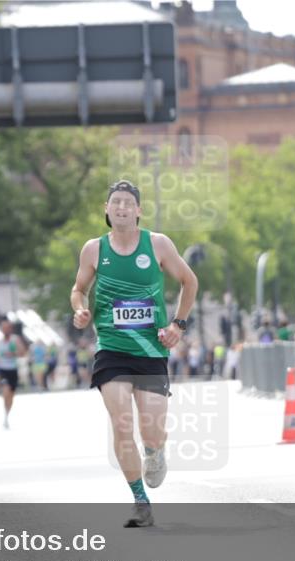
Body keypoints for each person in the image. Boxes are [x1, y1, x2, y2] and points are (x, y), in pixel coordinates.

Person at [70, 179, 198, 528]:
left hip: (150, 350)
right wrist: (80, 309)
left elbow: (189, 281)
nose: (122, 207)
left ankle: (155, 452)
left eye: (128, 202)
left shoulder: (157, 244)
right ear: (107, 210)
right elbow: (78, 289)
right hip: (111, 349)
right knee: (122, 423)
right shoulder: (93, 250)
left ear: (138, 210)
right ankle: (141, 502)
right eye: (116, 202)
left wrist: (178, 324)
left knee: (151, 432)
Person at [0, 318, 27, 429]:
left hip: (13, 369)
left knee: (11, 395)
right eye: (3, 328)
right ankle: (5, 413)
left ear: (10, 329)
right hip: (2, 369)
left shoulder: (15, 339)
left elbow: (23, 353)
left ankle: (7, 415)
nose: (5, 330)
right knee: (6, 390)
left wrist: (13, 353)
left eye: (7, 328)